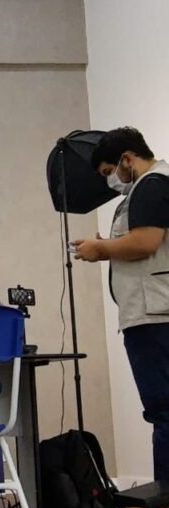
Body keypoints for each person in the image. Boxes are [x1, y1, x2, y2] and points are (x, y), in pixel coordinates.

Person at [73, 126, 169, 481]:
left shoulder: (150, 186)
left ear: (127, 159)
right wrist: (107, 246)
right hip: (155, 312)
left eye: (108, 172)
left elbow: (145, 242)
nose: (110, 180)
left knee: (163, 411)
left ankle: (165, 500)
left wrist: (101, 249)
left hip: (153, 317)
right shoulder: (155, 185)